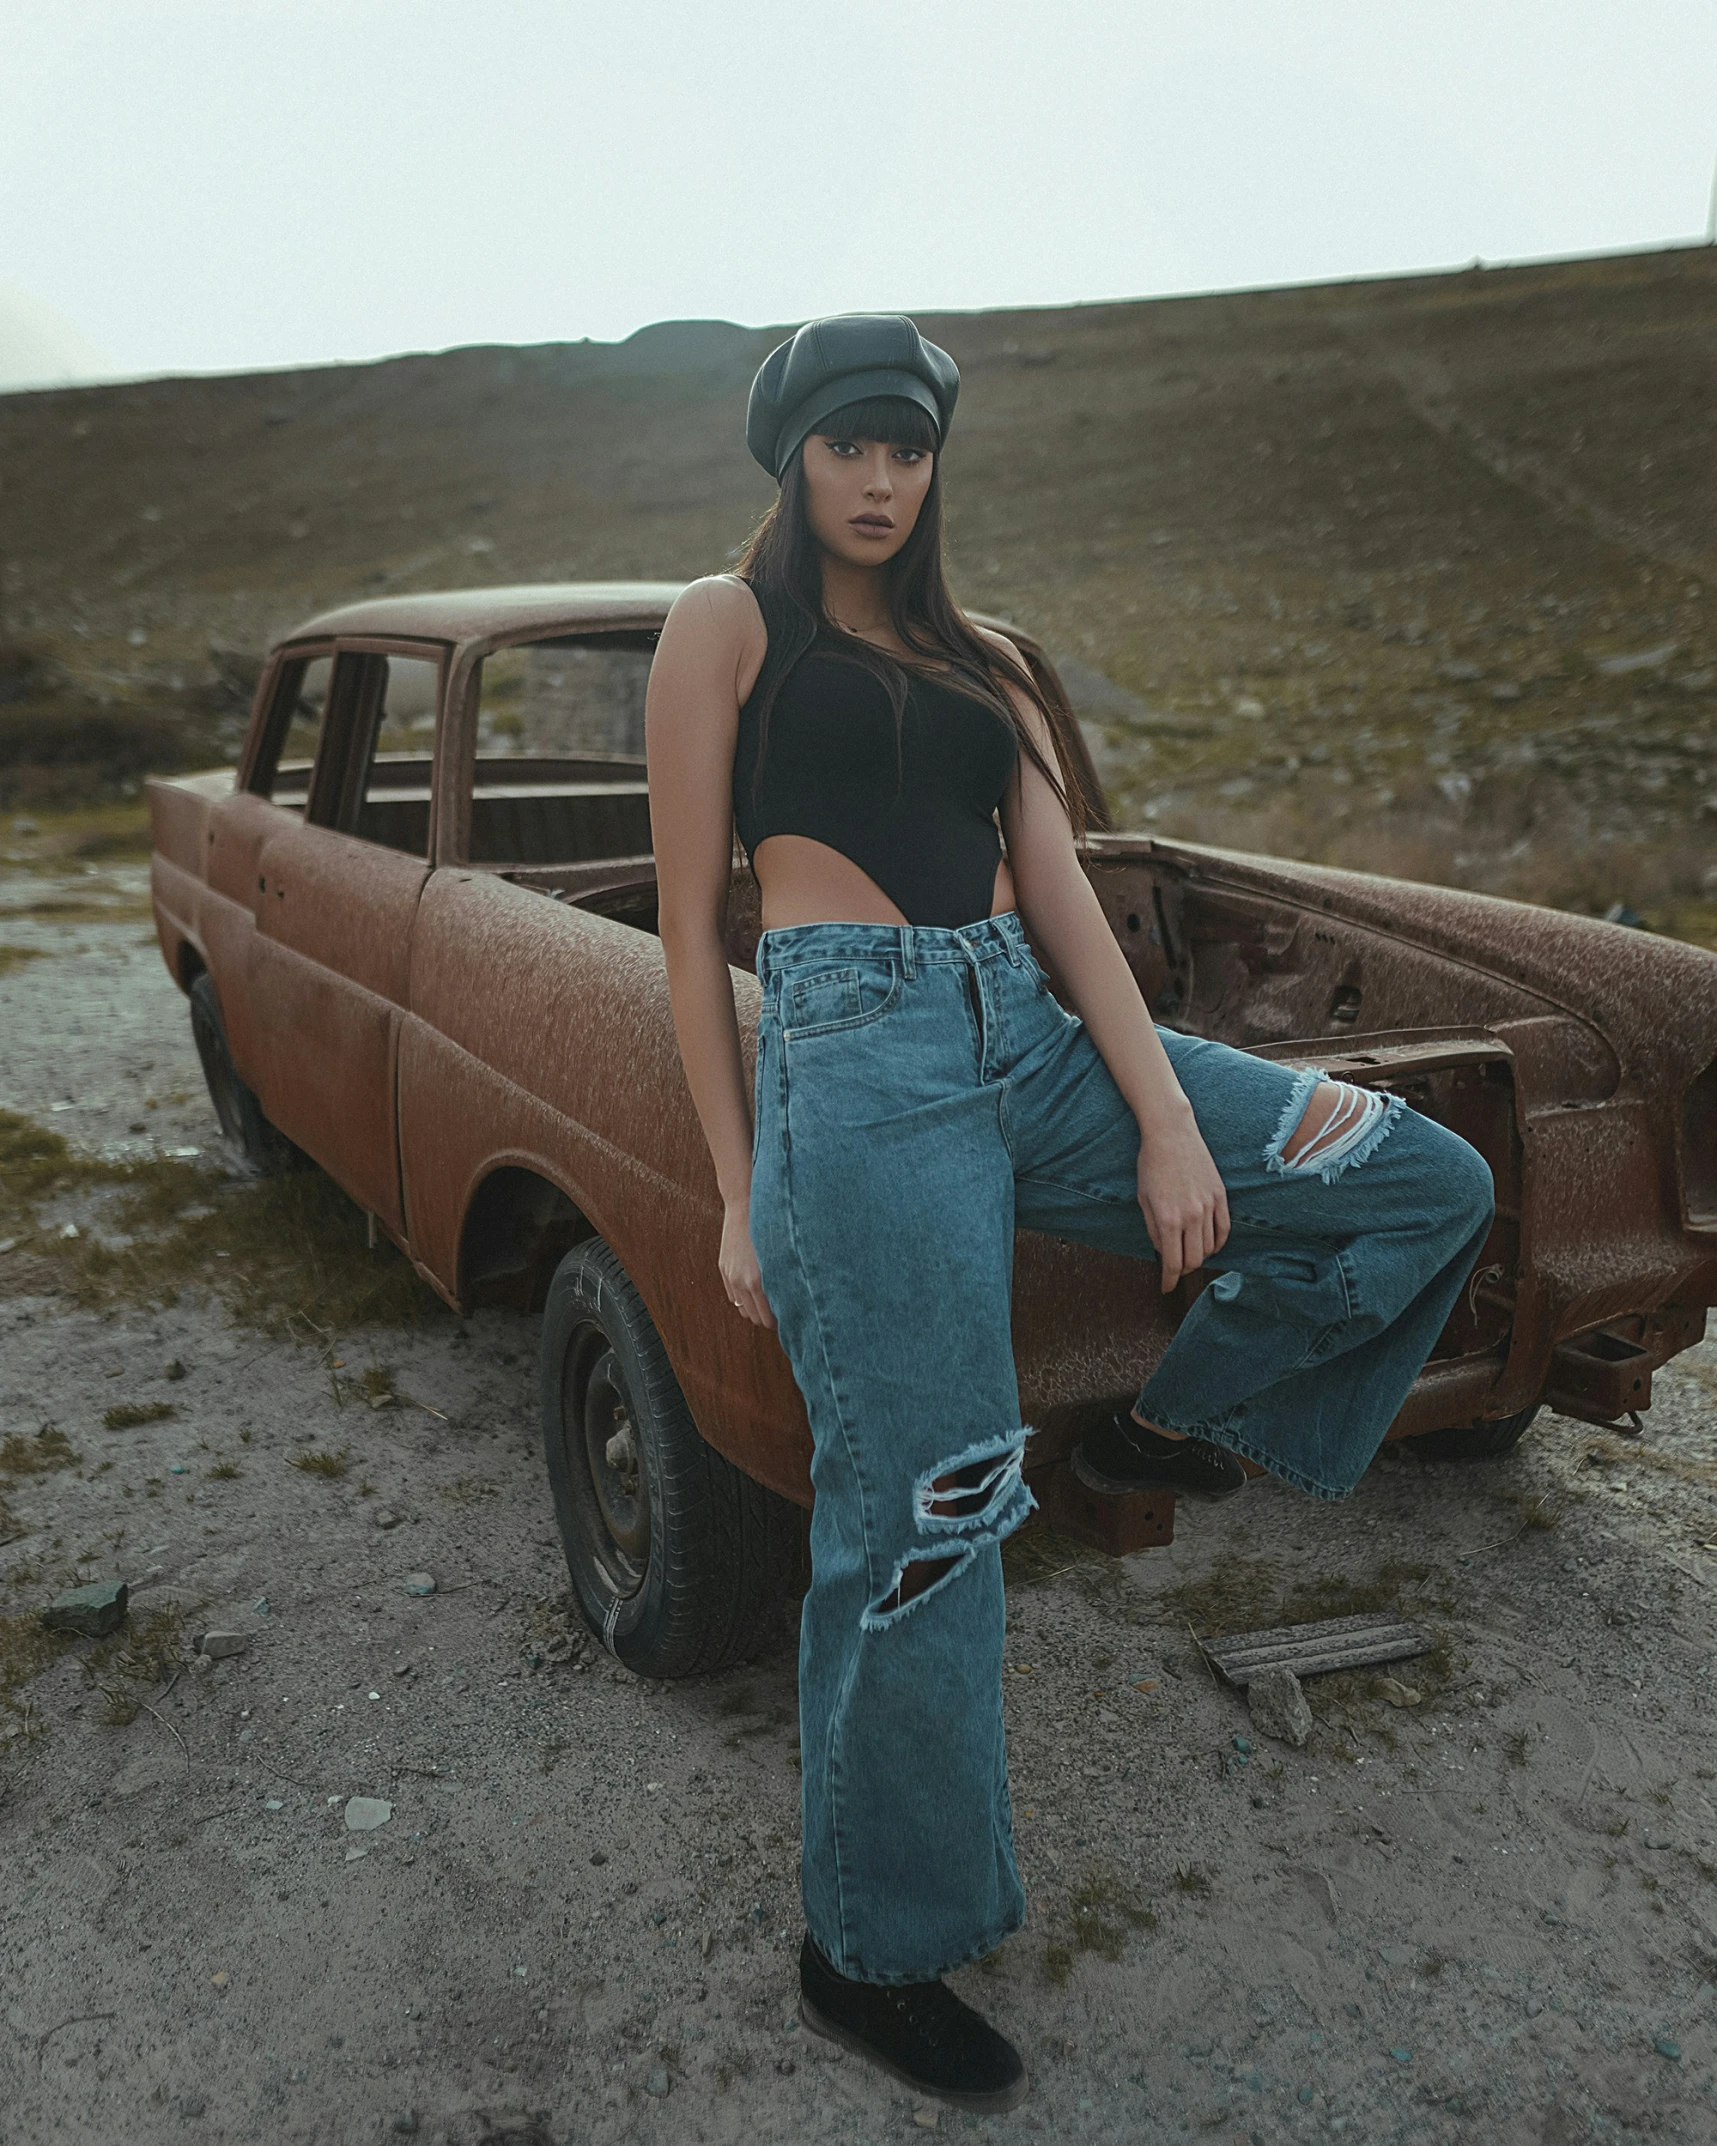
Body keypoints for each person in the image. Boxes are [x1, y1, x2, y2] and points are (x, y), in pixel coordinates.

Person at [644, 314, 1495, 2113]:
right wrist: (743, 1184)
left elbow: (1067, 910)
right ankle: (869, 1943)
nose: (884, 479)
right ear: (791, 457)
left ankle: (1173, 1410)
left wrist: (1174, 1122)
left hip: (1026, 1034)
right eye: (851, 446)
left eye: (911, 448)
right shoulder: (724, 630)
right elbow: (684, 933)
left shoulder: (979, 658)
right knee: (926, 1516)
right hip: (852, 1061)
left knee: (1416, 1174)